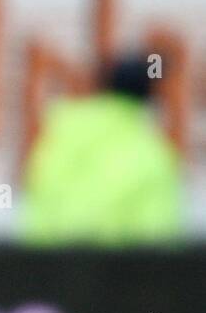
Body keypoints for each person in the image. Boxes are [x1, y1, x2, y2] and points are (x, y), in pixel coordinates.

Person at [20, 55, 185, 246]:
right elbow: (160, 236)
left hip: (52, 269)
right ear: (151, 98)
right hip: (122, 272)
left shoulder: (58, 139)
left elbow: (36, 215)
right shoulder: (153, 154)